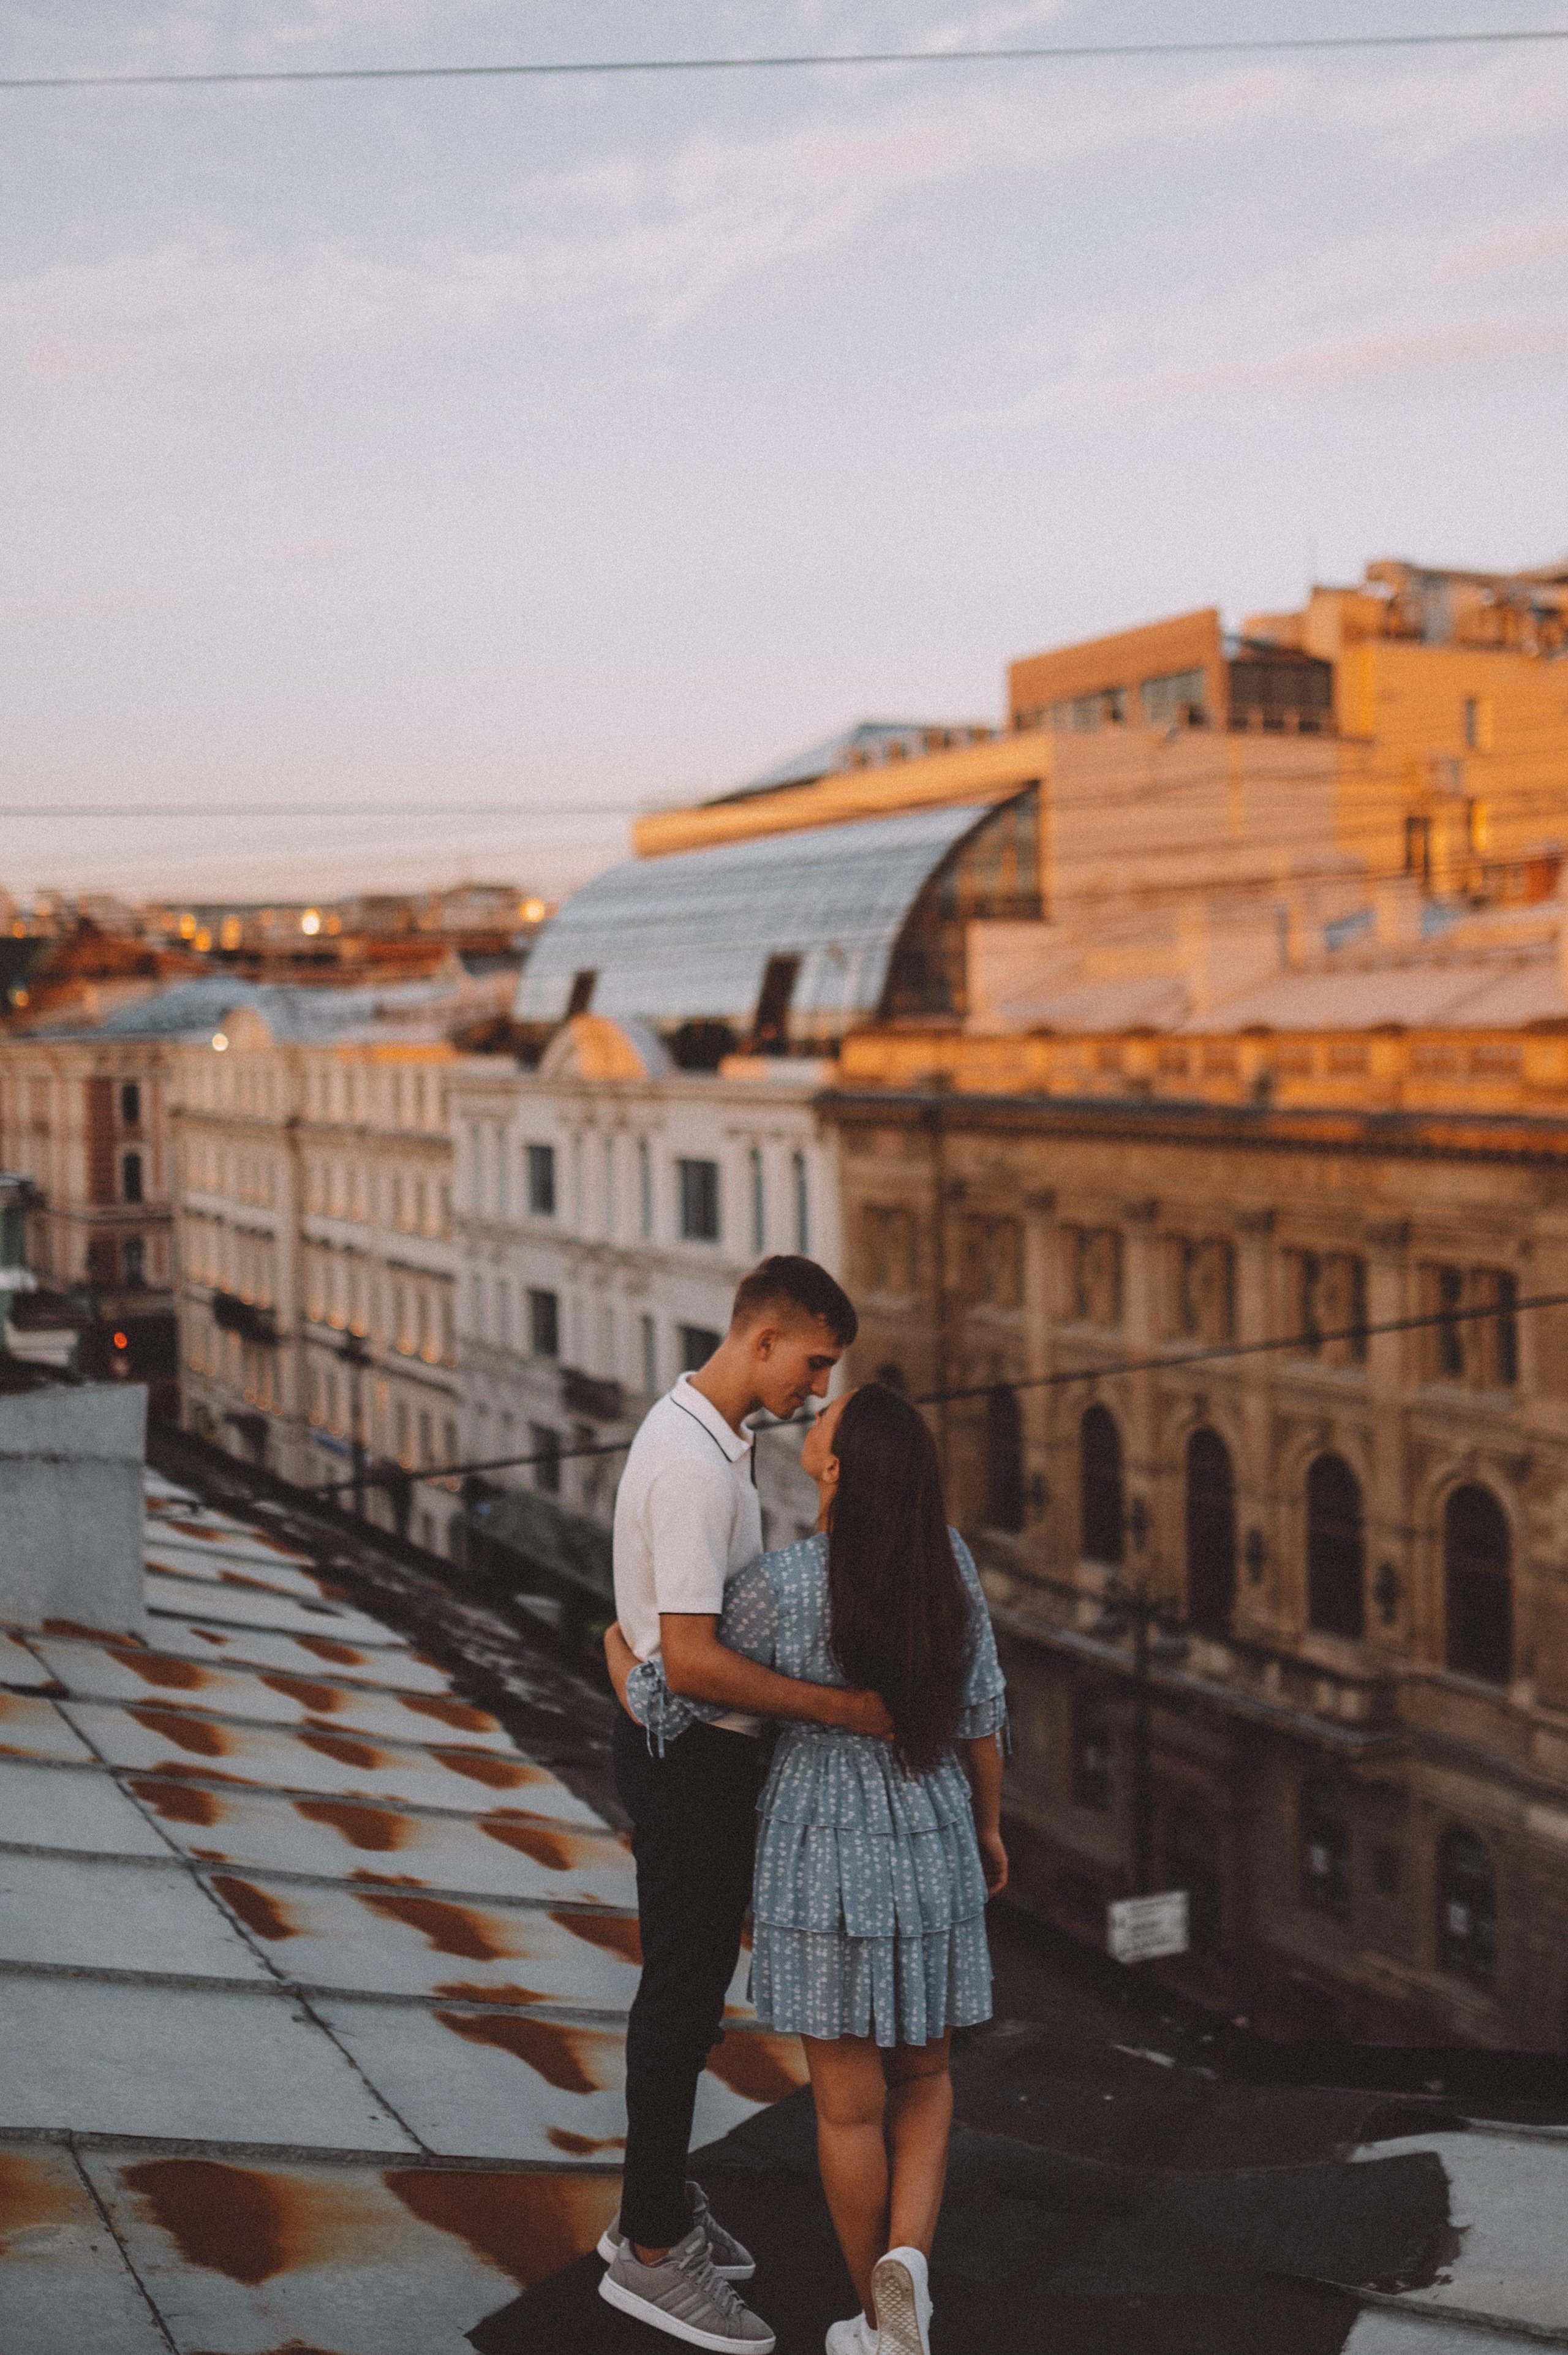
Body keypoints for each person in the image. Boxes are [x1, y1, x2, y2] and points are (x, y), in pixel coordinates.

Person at [607, 1381, 1008, 2355]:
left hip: (818, 1852)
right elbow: (983, 1714)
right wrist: (990, 1832)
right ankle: (904, 2275)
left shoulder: (781, 1588)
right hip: (930, 1834)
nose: (812, 1416)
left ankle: (874, 2316)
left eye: (827, 1422)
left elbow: (670, 1701)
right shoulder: (949, 1567)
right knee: (928, 2077)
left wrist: (613, 1646)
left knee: (846, 2106)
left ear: (833, 1469)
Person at [598, 1257, 894, 2355]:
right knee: (680, 1998)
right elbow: (695, 1659)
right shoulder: (694, 1468)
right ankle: (652, 2252)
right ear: (766, 1339)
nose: (818, 1392)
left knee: (684, 1992)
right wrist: (842, 1711)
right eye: (815, 1364)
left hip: (682, 1755)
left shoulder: (704, 1443)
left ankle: (658, 2211)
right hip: (691, 1763)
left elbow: (649, 1638)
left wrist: (618, 1659)